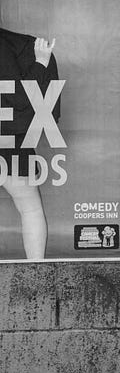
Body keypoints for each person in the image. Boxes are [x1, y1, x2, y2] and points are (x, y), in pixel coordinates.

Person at [0, 27, 57, 260]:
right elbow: (21, 97)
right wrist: (41, 63)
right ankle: (36, 275)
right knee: (30, 209)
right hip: (9, 140)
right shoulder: (4, 45)